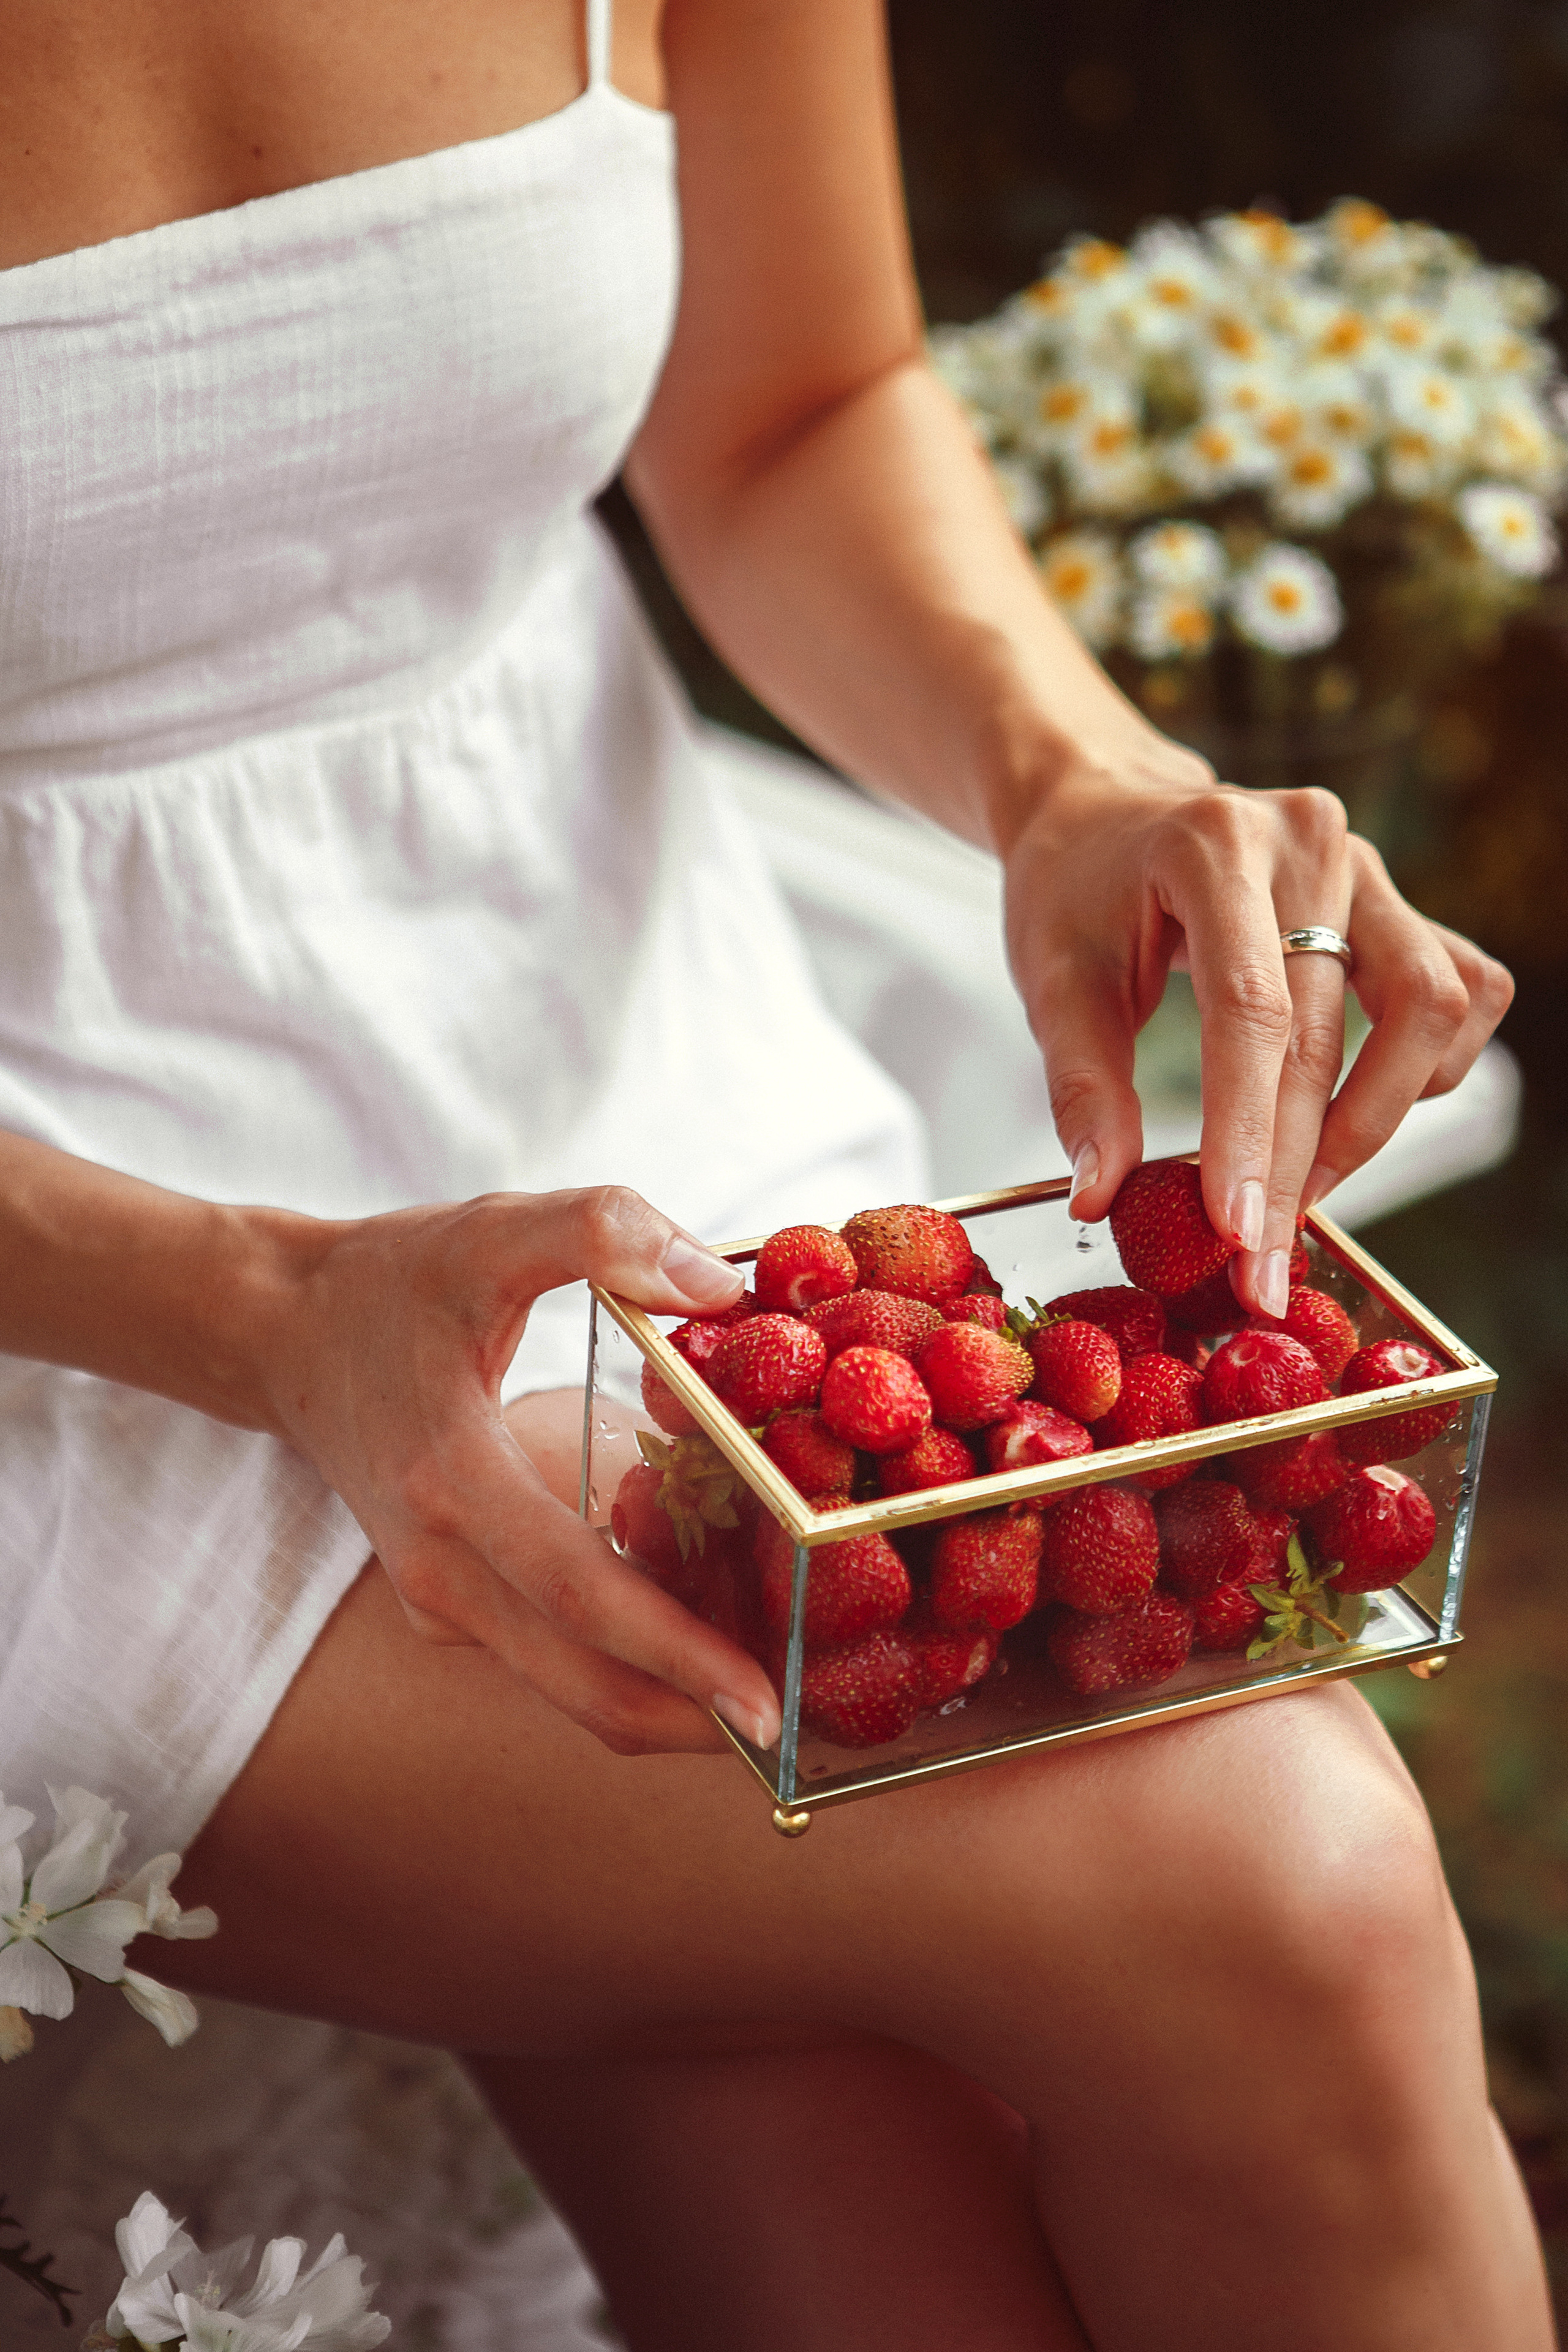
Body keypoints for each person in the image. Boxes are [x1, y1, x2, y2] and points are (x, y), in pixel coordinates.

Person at [0, 1, 1548, 2345]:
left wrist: (1070, 777)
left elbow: (794, 402)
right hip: (80, 1312)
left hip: (628, 1080)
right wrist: (257, 1306)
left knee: (852, 2191)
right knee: (1273, 1873)